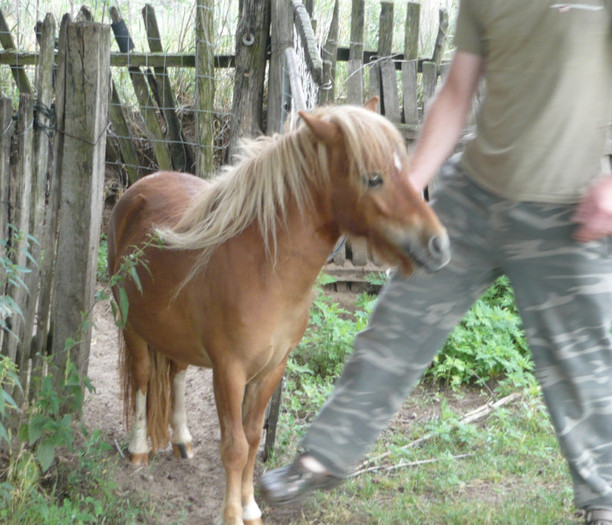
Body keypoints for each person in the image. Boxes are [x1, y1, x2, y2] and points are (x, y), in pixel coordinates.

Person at [259, 2, 612, 524]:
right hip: (473, 196)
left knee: (582, 361)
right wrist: (411, 189)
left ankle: (603, 499)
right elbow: (456, 92)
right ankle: (325, 456)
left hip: (571, 205)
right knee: (398, 322)